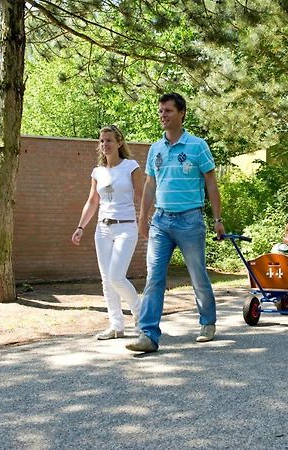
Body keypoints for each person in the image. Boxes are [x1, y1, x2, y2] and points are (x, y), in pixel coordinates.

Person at [126, 92, 225, 354]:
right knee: (154, 278)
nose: (163, 115)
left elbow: (211, 184)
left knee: (197, 275)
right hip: (161, 221)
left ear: (181, 113)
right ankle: (147, 334)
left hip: (190, 220)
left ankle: (207, 322)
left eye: (168, 111)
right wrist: (142, 218)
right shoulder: (155, 149)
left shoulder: (197, 146)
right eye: (161, 111)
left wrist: (218, 219)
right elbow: (149, 185)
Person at [71, 125, 143, 339]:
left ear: (119, 143)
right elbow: (93, 201)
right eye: (102, 141)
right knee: (106, 279)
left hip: (126, 226)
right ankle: (116, 326)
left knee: (116, 277)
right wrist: (80, 227)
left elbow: (140, 196)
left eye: (109, 140)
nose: (105, 144)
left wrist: (148, 219)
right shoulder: (98, 172)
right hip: (102, 228)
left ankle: (141, 315)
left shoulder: (131, 166)